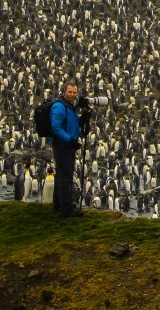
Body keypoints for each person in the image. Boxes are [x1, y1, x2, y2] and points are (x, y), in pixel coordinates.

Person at [50, 82, 91, 217]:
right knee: (65, 176)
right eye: (70, 92)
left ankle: (59, 203)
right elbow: (56, 127)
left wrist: (84, 118)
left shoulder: (70, 107)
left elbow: (72, 124)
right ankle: (66, 208)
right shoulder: (59, 106)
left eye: (74, 92)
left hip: (69, 145)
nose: (73, 95)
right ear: (65, 92)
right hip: (62, 145)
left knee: (62, 175)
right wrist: (69, 140)